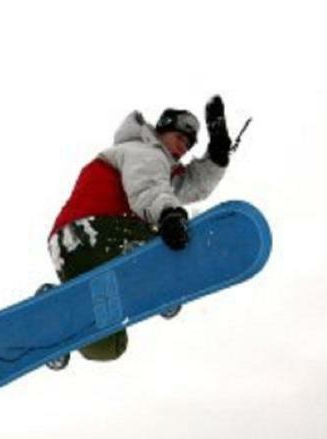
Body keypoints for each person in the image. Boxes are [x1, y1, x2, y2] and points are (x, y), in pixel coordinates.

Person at [46, 98, 232, 364]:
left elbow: (191, 186)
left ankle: (56, 323)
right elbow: (149, 190)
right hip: (97, 230)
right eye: (180, 137)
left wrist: (217, 154)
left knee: (108, 345)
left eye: (189, 144)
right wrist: (169, 217)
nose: (184, 147)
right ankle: (159, 279)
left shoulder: (154, 163)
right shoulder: (145, 151)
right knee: (176, 239)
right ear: (161, 131)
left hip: (69, 246)